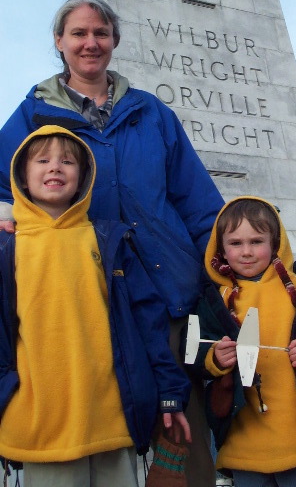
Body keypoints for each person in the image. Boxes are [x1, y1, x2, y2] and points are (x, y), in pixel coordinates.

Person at [0, 0, 224, 486]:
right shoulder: (30, 116)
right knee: (101, 439)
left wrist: (222, 266)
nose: (90, 43)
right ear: (59, 42)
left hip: (166, 294)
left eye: (100, 33)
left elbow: (197, 200)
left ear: (115, 41)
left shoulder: (152, 113)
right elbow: (4, 186)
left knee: (181, 438)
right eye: (78, 33)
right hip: (87, 300)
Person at [0, 125, 191, 486]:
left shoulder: (110, 240)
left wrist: (170, 392)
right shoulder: (7, 247)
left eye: (67, 161)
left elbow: (147, 324)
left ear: (84, 177)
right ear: (22, 177)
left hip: (111, 419)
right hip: (41, 427)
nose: (55, 167)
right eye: (43, 160)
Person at [190, 196, 296, 487]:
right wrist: (214, 358)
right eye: (235, 243)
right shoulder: (214, 301)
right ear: (221, 250)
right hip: (244, 441)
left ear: (275, 242)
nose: (247, 252)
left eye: (256, 241)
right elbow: (195, 348)